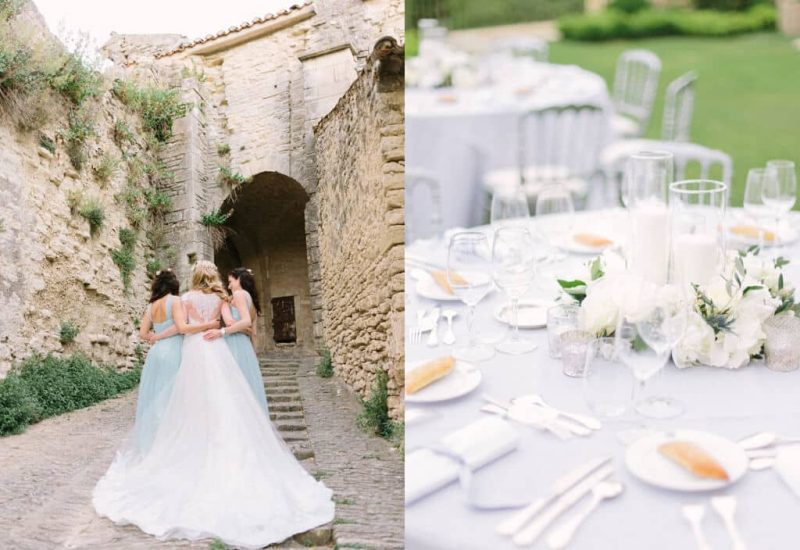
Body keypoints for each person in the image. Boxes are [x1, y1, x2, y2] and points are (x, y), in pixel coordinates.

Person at [93, 260, 334, 549]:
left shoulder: (185, 299)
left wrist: (180, 331)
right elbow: (229, 324)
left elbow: (183, 329)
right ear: (214, 277)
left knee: (191, 403)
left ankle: (194, 443)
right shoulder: (222, 298)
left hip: (194, 350)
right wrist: (228, 330)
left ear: (194, 277)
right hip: (216, 349)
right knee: (223, 401)